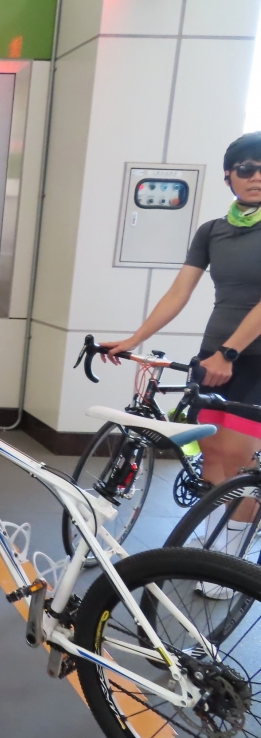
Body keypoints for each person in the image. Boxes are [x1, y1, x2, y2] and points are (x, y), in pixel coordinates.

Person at [103, 131, 261, 553]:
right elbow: (179, 292)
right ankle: (211, 548)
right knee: (212, 453)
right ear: (229, 177)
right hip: (213, 356)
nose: (257, 177)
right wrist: (136, 338)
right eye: (247, 169)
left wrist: (229, 353)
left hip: (250, 359)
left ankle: (230, 560)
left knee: (239, 459)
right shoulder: (212, 232)